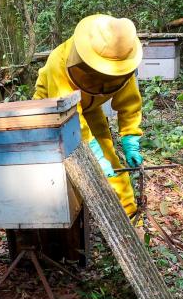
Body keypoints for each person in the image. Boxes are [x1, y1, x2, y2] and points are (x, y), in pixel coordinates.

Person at [34, 14, 144, 217]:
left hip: (90, 110)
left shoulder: (121, 65)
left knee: (111, 163)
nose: (103, 82)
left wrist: (130, 138)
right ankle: (69, 211)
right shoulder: (58, 62)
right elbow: (69, 113)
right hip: (50, 111)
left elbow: (129, 104)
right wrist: (92, 152)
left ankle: (129, 219)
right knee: (61, 169)